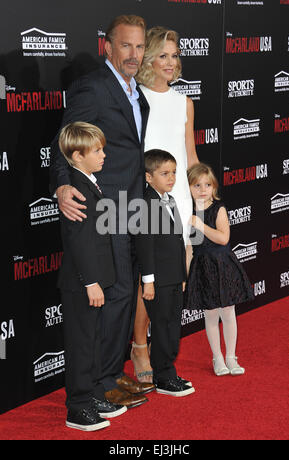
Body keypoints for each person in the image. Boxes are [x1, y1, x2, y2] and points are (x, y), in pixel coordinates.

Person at [50, 15, 155, 409]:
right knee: (110, 297)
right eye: (126, 46)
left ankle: (110, 374)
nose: (134, 54)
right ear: (107, 47)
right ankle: (96, 383)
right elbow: (66, 141)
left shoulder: (136, 92)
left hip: (131, 207)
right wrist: (62, 185)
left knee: (124, 294)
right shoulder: (93, 88)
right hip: (101, 210)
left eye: (140, 46)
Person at [131, 26, 199, 382]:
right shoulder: (136, 97)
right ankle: (139, 345)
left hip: (179, 198)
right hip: (147, 196)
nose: (170, 62)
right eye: (163, 55)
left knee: (173, 281)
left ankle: (163, 353)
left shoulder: (185, 102)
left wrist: (200, 194)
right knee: (150, 277)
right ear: (149, 60)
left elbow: (189, 154)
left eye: (174, 55)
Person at [58, 122, 127, 431]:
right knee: (82, 345)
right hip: (82, 283)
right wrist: (90, 281)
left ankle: (93, 395)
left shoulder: (88, 181)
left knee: (96, 342)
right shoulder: (76, 189)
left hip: (96, 278)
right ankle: (78, 408)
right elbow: (79, 241)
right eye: (97, 150)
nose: (103, 155)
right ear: (76, 155)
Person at [135, 149, 195, 396]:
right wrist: (148, 281)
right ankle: (163, 376)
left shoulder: (168, 199)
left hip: (173, 277)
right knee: (161, 327)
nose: (171, 178)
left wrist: (182, 275)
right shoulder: (146, 203)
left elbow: (177, 243)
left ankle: (168, 372)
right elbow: (145, 245)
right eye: (164, 173)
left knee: (172, 325)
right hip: (157, 279)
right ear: (148, 177)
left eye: (173, 173)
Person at [185, 163, 254, 376]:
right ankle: (217, 358)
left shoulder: (218, 208)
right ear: (188, 188)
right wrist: (186, 275)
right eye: (197, 185)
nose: (203, 189)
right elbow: (188, 247)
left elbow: (223, 238)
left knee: (228, 311)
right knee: (211, 313)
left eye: (207, 184)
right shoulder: (188, 211)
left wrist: (200, 224)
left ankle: (232, 357)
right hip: (202, 267)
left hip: (222, 264)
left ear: (214, 187)